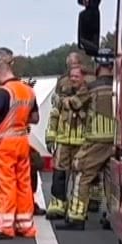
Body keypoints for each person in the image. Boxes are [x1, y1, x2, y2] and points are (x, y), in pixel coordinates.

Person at [0, 48, 40, 240]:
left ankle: (4, 226)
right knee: (23, 183)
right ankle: (25, 225)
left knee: (5, 185)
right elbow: (35, 117)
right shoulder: (28, 91)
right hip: (22, 142)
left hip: (3, 144)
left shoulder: (3, 92)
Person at [64, 53, 116, 230]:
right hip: (117, 140)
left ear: (98, 66)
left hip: (95, 138)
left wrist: (65, 100)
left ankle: (76, 216)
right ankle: (112, 216)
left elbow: (75, 104)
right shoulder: (121, 86)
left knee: (81, 172)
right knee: (111, 180)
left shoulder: (91, 87)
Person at [46, 51, 90, 222]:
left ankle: (78, 208)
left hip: (82, 141)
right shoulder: (62, 87)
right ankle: (58, 204)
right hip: (64, 139)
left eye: (76, 75)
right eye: (70, 74)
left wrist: (62, 100)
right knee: (59, 173)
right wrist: (51, 136)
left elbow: (76, 106)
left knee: (81, 176)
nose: (72, 78)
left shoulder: (88, 92)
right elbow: (54, 114)